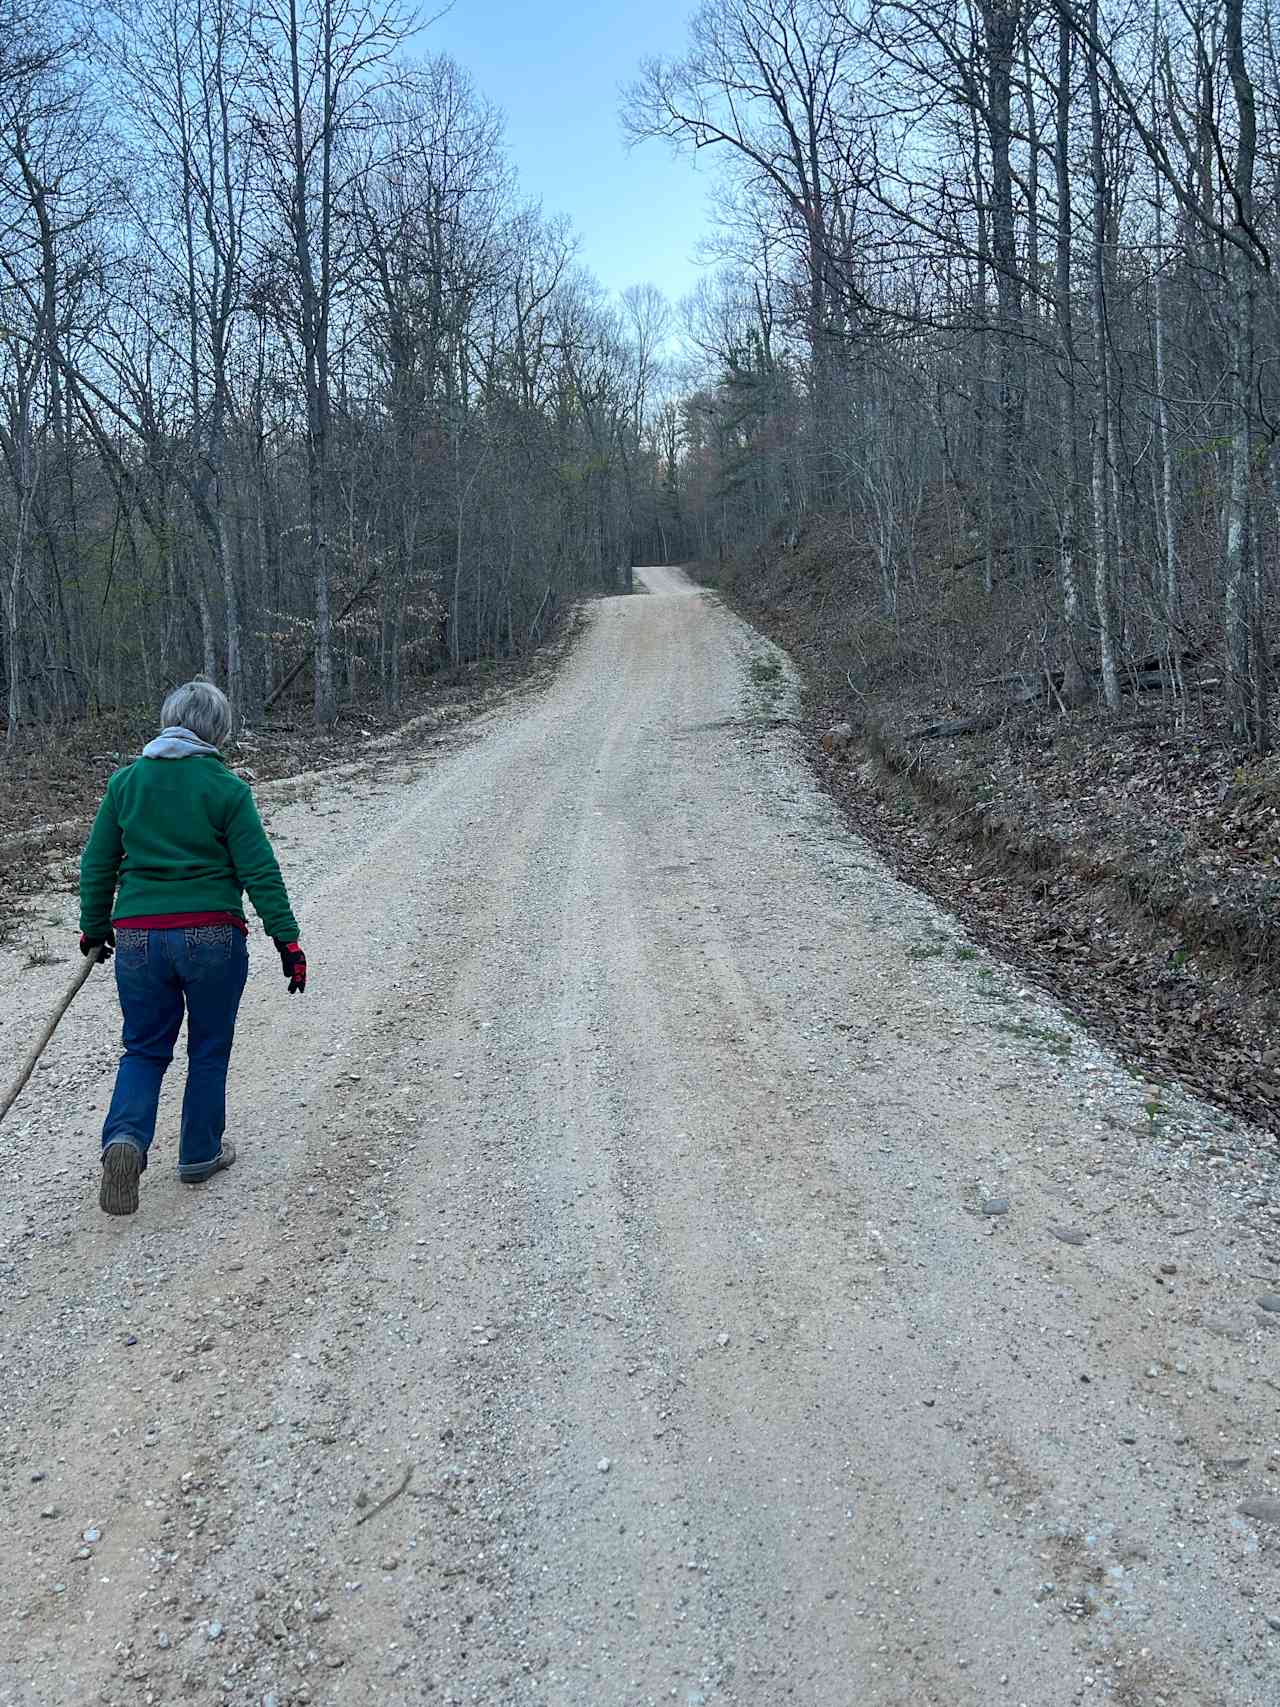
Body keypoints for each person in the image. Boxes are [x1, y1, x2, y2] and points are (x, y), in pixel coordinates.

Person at [78, 680, 306, 1216]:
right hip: (212, 935)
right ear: (218, 730)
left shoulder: (125, 784)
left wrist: (94, 928)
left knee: (144, 1048)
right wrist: (287, 939)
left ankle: (125, 1142)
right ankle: (200, 1152)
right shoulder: (226, 788)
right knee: (208, 1047)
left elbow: (97, 863)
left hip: (137, 938)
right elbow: (259, 871)